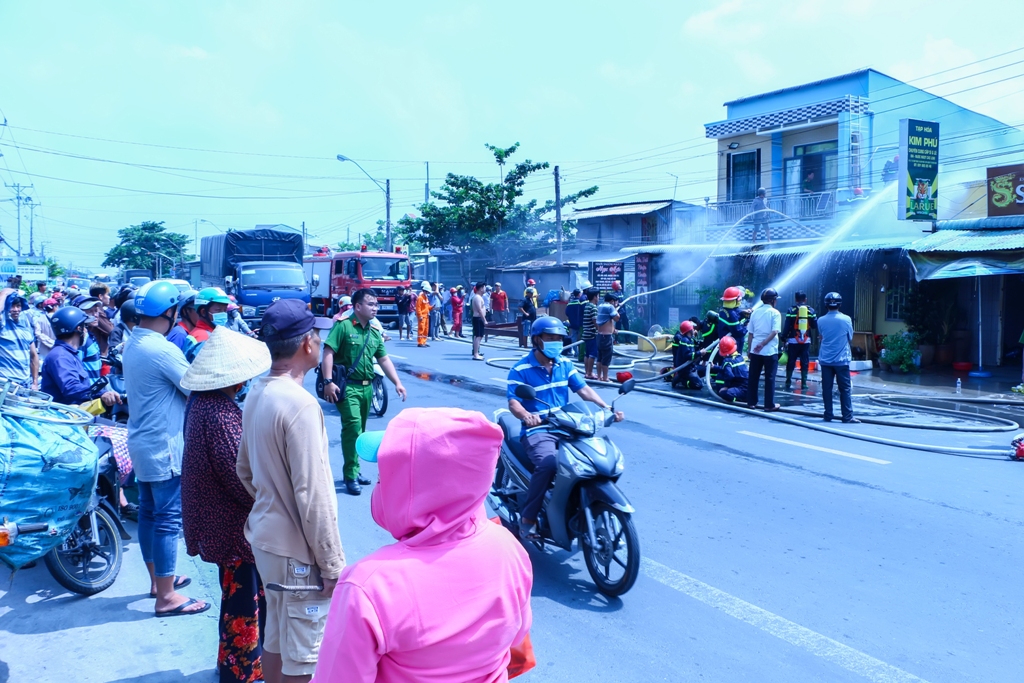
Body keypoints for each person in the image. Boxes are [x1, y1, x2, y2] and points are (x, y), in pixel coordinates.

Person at [314, 408, 533, 681]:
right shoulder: (509, 549)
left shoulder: (368, 586)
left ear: (416, 490)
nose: (379, 486)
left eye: (385, 477)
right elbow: (516, 636)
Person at [236, 298, 346, 683]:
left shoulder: (257, 391)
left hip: (267, 541)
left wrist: (272, 501)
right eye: (316, 333)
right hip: (297, 552)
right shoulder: (299, 404)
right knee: (305, 655)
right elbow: (312, 495)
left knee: (278, 637)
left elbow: (245, 471)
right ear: (307, 344)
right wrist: (331, 563)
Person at [181, 327, 271, 683]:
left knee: (241, 598)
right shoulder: (218, 413)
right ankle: (241, 672)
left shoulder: (203, 403)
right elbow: (239, 477)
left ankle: (241, 667)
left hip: (220, 519)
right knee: (243, 603)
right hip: (232, 526)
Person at [123, 280, 210, 617]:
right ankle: (167, 597)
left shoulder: (134, 341)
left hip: (143, 441)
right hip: (163, 445)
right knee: (167, 521)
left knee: (149, 513)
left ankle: (158, 582)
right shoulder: (161, 348)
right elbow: (194, 387)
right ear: (171, 312)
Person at [507, 317, 623, 540]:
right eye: (550, 338)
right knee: (549, 463)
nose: (556, 343)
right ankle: (528, 519)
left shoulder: (564, 364)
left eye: (558, 339)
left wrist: (606, 407)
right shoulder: (520, 369)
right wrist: (527, 416)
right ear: (537, 340)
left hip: (568, 425)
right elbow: (514, 402)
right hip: (538, 429)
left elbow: (583, 389)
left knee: (593, 461)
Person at [322, 289, 407, 496]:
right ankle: (350, 475)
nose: (375, 308)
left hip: (367, 387)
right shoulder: (343, 326)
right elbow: (328, 352)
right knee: (352, 428)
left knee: (360, 431)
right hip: (347, 387)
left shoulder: (374, 331)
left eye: (376, 304)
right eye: (370, 304)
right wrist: (328, 381)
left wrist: (397, 381)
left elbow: (383, 359)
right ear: (357, 306)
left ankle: (355, 469)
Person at [40, 306, 122, 412]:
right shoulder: (60, 356)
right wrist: (102, 393)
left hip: (78, 414)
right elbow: (71, 388)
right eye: (84, 327)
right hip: (66, 419)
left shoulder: (70, 354)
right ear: (79, 329)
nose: (86, 330)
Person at [817, 292, 859, 424]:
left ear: (826, 304)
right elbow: (850, 337)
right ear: (840, 304)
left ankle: (828, 414)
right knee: (845, 389)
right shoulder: (846, 319)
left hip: (825, 360)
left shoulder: (820, 320)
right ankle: (847, 416)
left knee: (826, 388)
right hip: (841, 360)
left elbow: (822, 336)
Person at [746, 288, 782, 412]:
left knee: (753, 376)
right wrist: (763, 343)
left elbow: (750, 333)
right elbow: (774, 331)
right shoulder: (775, 313)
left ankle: (751, 403)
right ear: (773, 300)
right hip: (769, 350)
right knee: (770, 378)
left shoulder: (755, 313)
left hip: (755, 350)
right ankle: (769, 405)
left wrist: (749, 349)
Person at [0, 288, 40, 389]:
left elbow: (33, 356)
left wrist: (34, 382)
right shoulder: (3, 326)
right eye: (12, 306)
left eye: (18, 306)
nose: (16, 309)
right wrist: (4, 294)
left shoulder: (25, 327)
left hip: (25, 383)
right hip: (6, 383)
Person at [186, 287, 232, 362]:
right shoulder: (205, 338)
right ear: (203, 312)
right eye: (218, 310)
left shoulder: (201, 333)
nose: (223, 314)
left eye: (225, 310)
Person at [783, 291, 817, 390]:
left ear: (795, 299)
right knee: (805, 361)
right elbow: (814, 326)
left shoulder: (791, 310)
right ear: (805, 299)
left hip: (793, 340)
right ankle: (804, 383)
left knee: (791, 361)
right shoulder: (811, 310)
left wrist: (784, 337)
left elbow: (787, 326)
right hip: (806, 340)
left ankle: (788, 381)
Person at [713, 335, 748, 404]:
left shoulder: (728, 361)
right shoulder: (739, 356)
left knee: (723, 393)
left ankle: (738, 398)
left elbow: (729, 375)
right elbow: (726, 368)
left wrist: (726, 387)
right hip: (748, 387)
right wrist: (714, 367)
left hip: (741, 389)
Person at [670, 321, 703, 390]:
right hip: (686, 370)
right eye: (693, 329)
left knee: (706, 370)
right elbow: (687, 356)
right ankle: (682, 381)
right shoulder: (685, 341)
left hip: (691, 367)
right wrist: (699, 353)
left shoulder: (689, 340)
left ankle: (685, 377)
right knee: (698, 385)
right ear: (689, 330)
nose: (694, 330)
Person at [595, 293, 619, 383]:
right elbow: (617, 318)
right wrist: (616, 308)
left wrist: (614, 330)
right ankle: (605, 378)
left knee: (600, 358)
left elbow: (608, 322)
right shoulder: (610, 307)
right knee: (606, 357)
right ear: (612, 301)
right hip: (607, 337)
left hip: (600, 336)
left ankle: (599, 377)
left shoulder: (600, 306)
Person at [581, 288, 599, 379]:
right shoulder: (593, 307)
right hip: (592, 334)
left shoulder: (587, 306)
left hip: (586, 333)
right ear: (595, 297)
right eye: (598, 296)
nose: (599, 298)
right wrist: (599, 330)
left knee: (587, 354)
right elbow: (595, 320)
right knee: (592, 354)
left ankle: (587, 372)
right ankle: (590, 373)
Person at [471, 281, 487, 361]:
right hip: (478, 318)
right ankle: (476, 354)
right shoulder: (477, 297)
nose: (485, 289)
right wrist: (484, 320)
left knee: (479, 336)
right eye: (484, 287)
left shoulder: (479, 297)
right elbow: (479, 310)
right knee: (478, 336)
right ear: (481, 288)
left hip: (479, 318)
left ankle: (476, 352)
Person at [415, 280, 432, 347]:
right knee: (421, 329)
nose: (428, 293)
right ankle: (420, 342)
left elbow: (427, 306)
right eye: (427, 292)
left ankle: (424, 342)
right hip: (422, 316)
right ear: (425, 291)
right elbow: (418, 308)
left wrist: (432, 307)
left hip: (426, 315)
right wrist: (420, 315)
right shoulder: (420, 298)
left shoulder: (426, 298)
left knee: (426, 329)